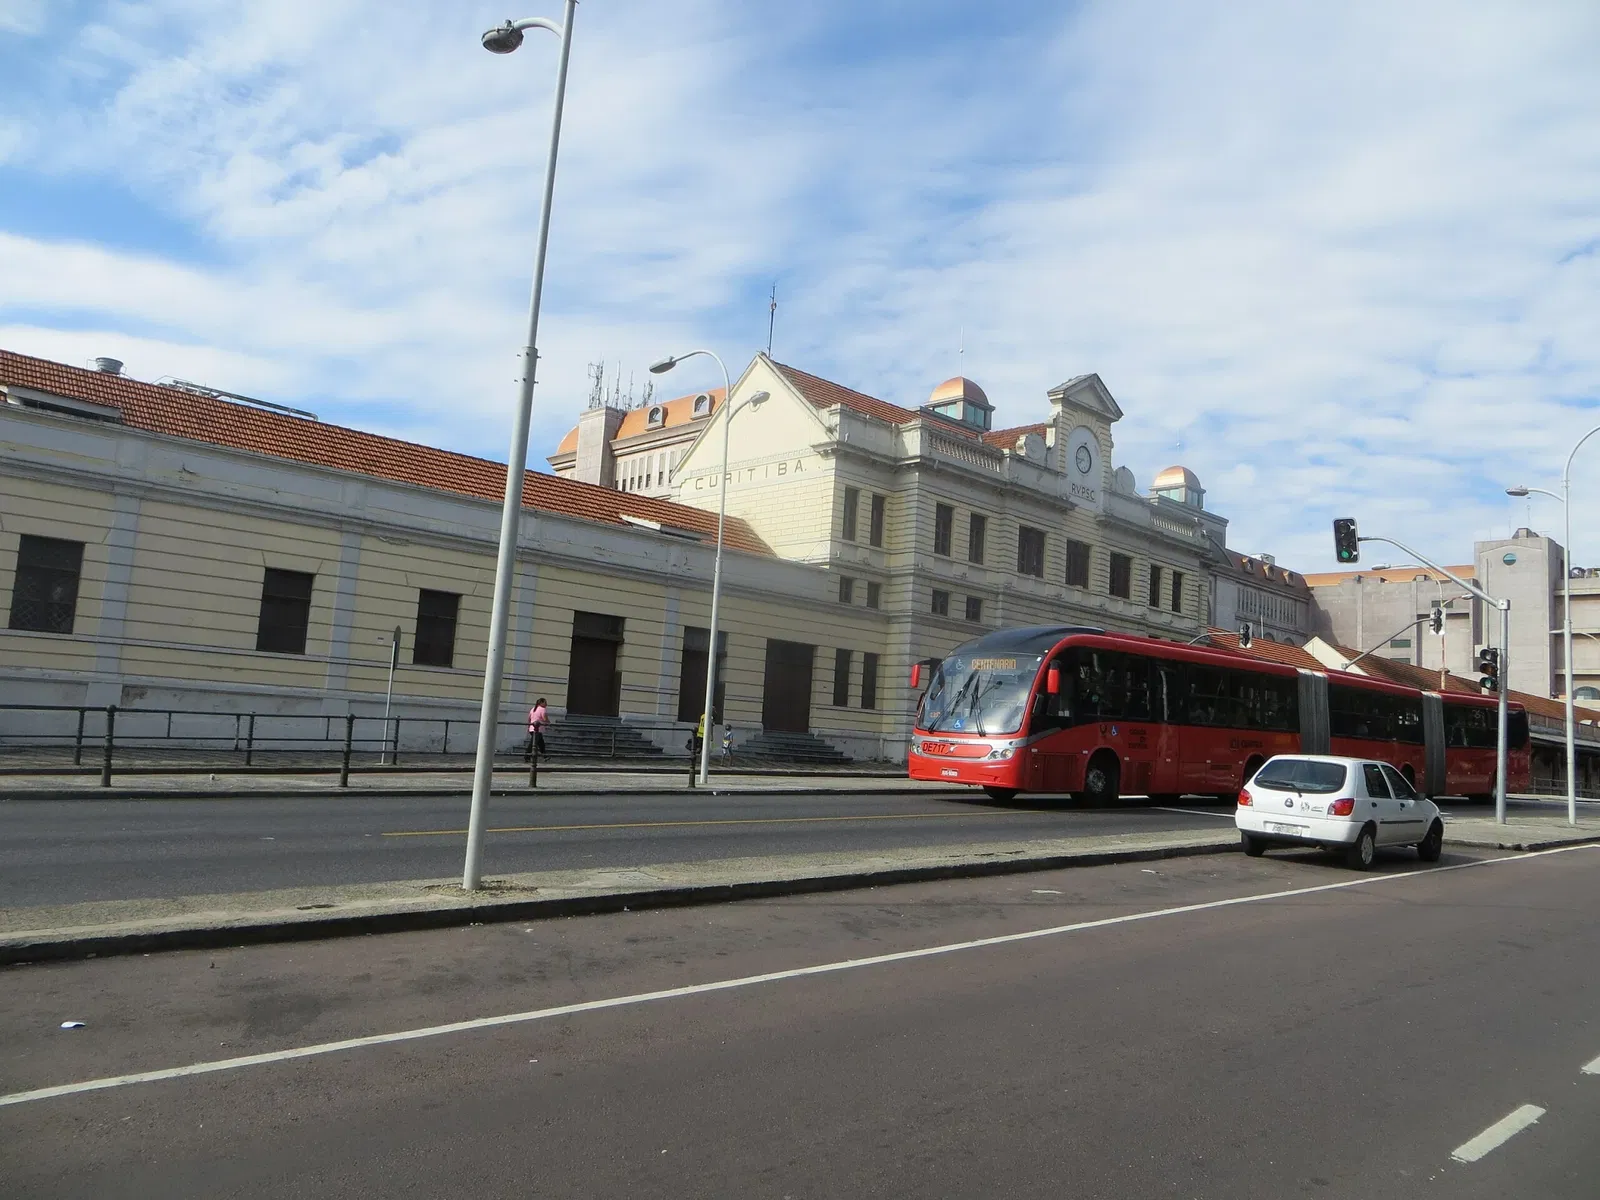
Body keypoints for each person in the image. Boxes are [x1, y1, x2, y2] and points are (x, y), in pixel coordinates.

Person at [526, 698, 548, 762]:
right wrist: (548, 722)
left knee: (541, 743)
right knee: (532, 744)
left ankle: (545, 756)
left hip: (532, 728)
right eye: (545, 702)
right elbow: (544, 719)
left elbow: (529, 718)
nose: (546, 704)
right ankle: (527, 757)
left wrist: (529, 726)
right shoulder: (542, 709)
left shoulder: (533, 709)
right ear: (541, 703)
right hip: (538, 730)